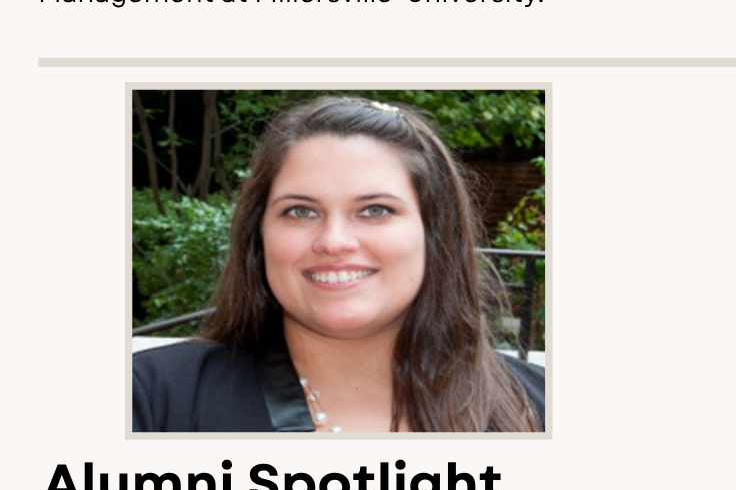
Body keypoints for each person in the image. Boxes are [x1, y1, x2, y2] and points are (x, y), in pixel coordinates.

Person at [133, 97, 544, 433]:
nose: (334, 242)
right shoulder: (151, 401)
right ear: (258, 237)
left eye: (375, 210)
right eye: (300, 212)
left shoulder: (538, 406)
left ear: (435, 233)